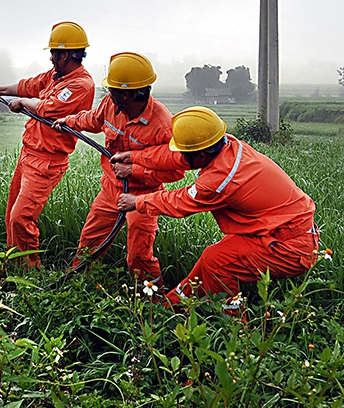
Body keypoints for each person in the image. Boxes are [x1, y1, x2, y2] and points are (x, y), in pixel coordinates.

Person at [112, 106, 319, 306]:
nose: (181, 157)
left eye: (186, 153)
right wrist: (133, 156)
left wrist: (137, 202)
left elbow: (180, 202)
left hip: (290, 246)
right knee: (211, 260)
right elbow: (175, 157)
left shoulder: (220, 180)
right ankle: (171, 308)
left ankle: (237, 329)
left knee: (217, 262)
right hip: (280, 229)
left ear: (201, 155)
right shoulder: (226, 144)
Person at [53, 52, 171, 283]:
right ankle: (79, 286)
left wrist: (135, 170)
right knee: (89, 243)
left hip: (144, 197)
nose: (108, 93)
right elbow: (93, 120)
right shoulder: (110, 104)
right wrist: (68, 121)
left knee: (138, 255)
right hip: (111, 190)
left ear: (127, 94)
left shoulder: (163, 124)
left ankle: (153, 303)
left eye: (113, 89)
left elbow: (174, 170)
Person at [0, 21, 95, 266]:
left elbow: (49, 108)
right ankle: (14, 266)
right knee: (11, 215)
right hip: (28, 155)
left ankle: (30, 272)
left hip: (47, 161)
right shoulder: (56, 76)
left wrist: (23, 102)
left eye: (53, 53)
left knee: (21, 218)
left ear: (65, 55)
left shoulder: (80, 84)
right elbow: (29, 86)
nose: (51, 59)